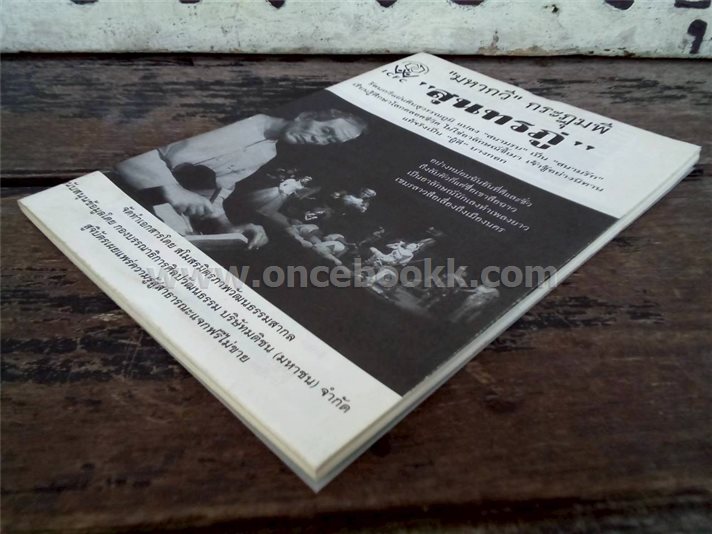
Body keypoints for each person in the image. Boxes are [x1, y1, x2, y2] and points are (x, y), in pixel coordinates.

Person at [115, 109, 367, 247]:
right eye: (326, 131)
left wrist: (226, 226)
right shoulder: (242, 113)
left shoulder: (268, 152)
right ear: (306, 115)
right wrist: (170, 186)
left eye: (330, 141)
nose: (319, 141)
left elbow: (217, 190)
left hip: (147, 207)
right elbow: (133, 139)